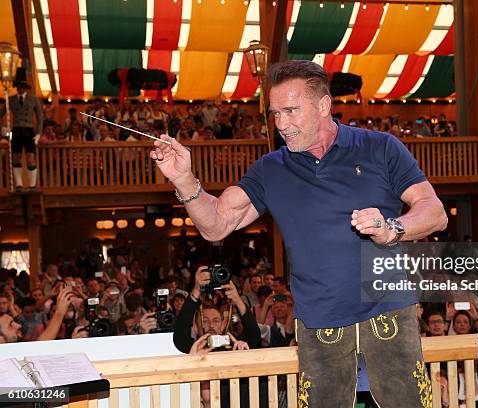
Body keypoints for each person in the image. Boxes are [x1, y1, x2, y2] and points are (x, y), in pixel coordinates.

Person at [152, 60, 447, 407]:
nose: (282, 125)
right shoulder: (272, 169)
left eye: (291, 111)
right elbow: (216, 223)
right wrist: (184, 180)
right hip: (319, 323)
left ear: (323, 105)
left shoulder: (379, 148)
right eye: (276, 114)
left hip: (388, 313)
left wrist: (392, 229)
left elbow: (434, 213)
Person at [0, 71, 43, 191]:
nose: (20, 88)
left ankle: (32, 185)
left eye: (22, 86)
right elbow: (0, 115)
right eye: (18, 86)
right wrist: (2, 128)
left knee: (31, 157)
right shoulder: (11, 99)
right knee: (16, 157)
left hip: (29, 131)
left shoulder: (34, 100)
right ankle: (19, 184)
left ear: (25, 88)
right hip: (17, 130)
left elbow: (40, 118)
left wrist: (38, 134)